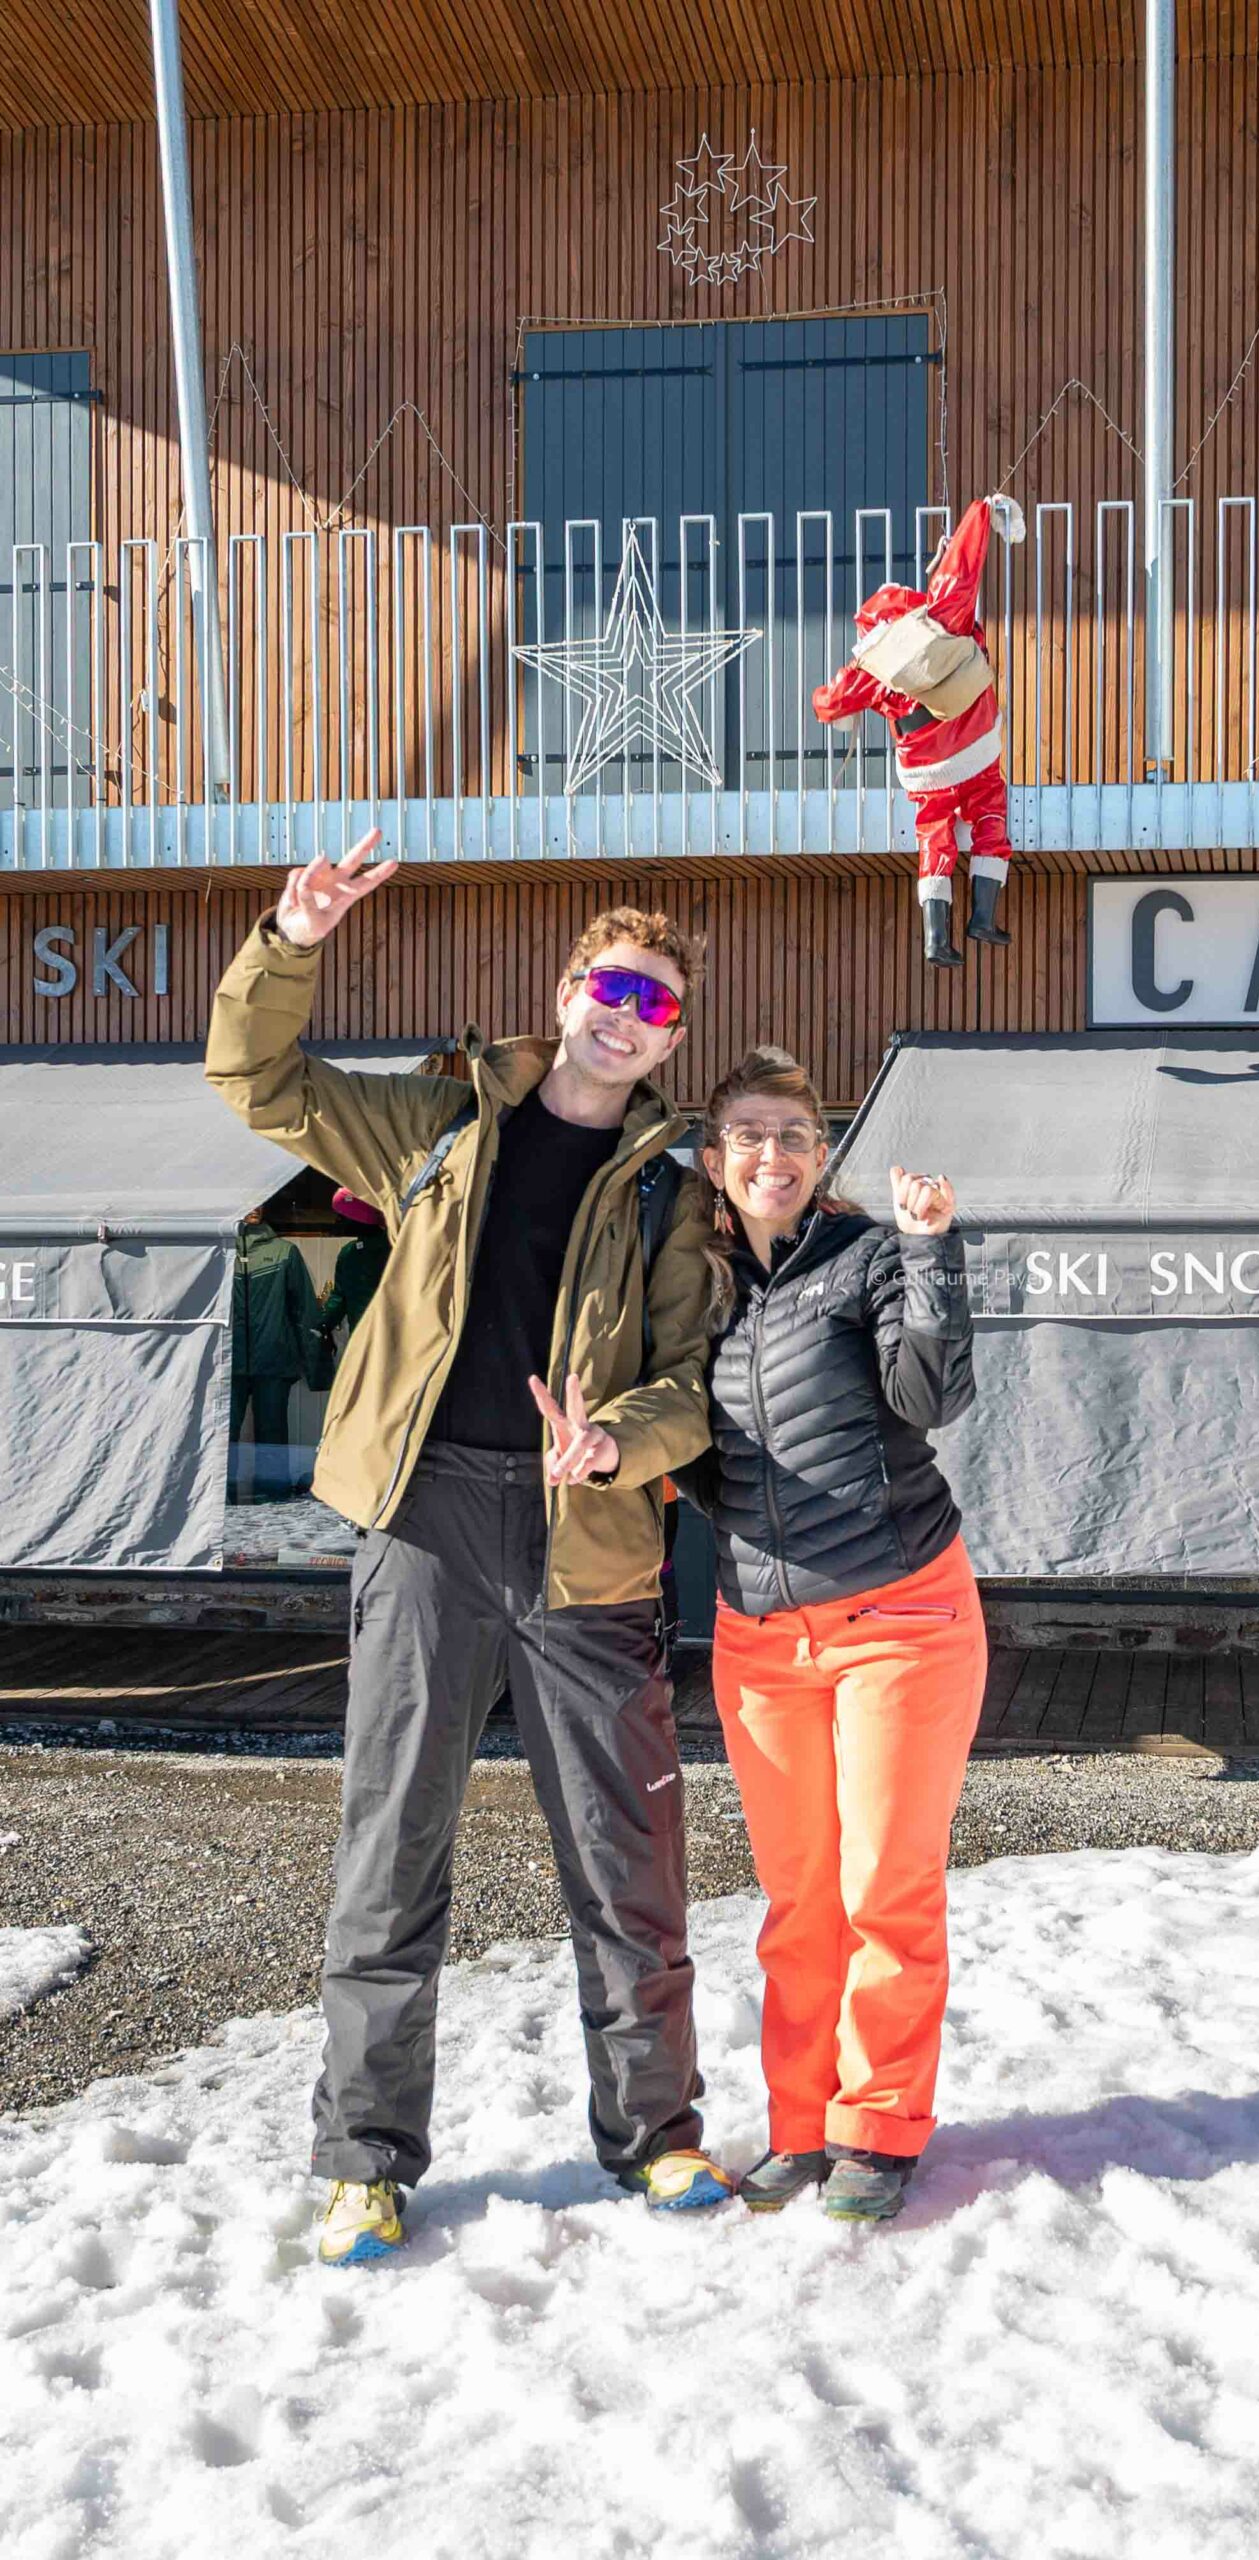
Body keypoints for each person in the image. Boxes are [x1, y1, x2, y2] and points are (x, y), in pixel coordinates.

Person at [206, 831, 728, 2267]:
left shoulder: (670, 1193)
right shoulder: (439, 1123)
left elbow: (694, 1383)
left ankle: (658, 2133)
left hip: (590, 1541)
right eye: (614, 986)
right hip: (426, 1518)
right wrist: (291, 941)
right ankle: (364, 2160)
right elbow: (254, 1076)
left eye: (659, 1003)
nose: (630, 1015)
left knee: (626, 1861)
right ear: (567, 994)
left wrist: (618, 1440)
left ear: (670, 1036)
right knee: (392, 1849)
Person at [680, 1045, 985, 2224]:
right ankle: (801, 2125)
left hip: (898, 1613)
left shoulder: (866, 1257)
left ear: (821, 1154)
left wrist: (931, 1251)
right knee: (799, 1898)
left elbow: (931, 1398)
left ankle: (878, 2126)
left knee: (882, 1889)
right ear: (715, 1157)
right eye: (750, 1134)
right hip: (759, 1636)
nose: (774, 1153)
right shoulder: (694, 1286)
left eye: (796, 1135)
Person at [812, 492, 1025, 970]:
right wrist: (983, 512)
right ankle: (983, 918)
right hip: (975, 747)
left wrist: (832, 705)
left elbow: (829, 702)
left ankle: (936, 939)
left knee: (935, 836)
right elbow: (961, 569)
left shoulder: (869, 669)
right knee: (990, 817)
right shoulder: (941, 619)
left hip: (925, 770)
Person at [228, 1207, 329, 1501]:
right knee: (223, 1434)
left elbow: (304, 1310)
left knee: (272, 1434)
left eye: (261, 1202)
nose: (255, 1208)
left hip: (274, 1358)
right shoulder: (220, 1252)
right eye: (250, 1201)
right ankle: (219, 1496)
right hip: (227, 1361)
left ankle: (273, 1496)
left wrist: (317, 1370)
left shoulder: (284, 1252)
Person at [319, 1187, 391, 1342]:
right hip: (361, 1339)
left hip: (390, 1338)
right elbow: (340, 1297)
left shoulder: (393, 1249)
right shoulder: (349, 1253)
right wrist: (323, 1325)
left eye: (343, 1215)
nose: (339, 1220)